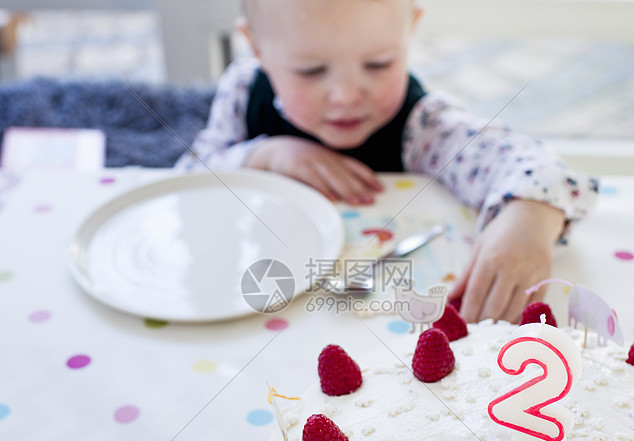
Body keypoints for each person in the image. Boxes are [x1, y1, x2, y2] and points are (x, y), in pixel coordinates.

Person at [176, 0, 598, 324]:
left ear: (410, 30)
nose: (345, 94)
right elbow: (185, 179)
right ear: (257, 48)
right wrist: (263, 155)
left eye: (378, 64)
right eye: (310, 70)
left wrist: (530, 218)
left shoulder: (422, 125)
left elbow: (536, 167)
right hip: (243, 296)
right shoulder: (243, 92)